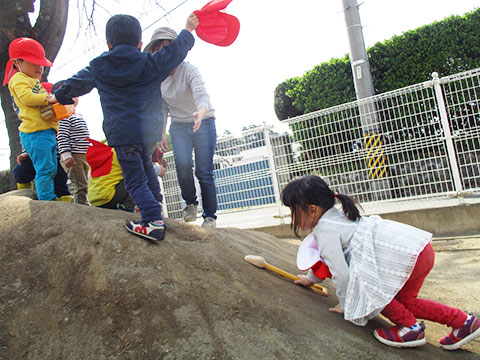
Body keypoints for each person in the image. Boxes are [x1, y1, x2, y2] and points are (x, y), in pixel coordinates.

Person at [282, 175, 480, 350]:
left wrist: (346, 304)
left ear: (313, 210)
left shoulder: (324, 231)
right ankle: (463, 322)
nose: (292, 217)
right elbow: (325, 261)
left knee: (369, 289)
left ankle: (410, 328)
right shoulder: (337, 214)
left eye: (293, 211)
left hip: (403, 258)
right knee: (407, 302)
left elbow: (342, 274)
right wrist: (310, 279)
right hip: (417, 251)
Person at [50, 14, 199, 241]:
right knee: (147, 168)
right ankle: (155, 207)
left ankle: (152, 221)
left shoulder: (100, 65)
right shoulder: (150, 62)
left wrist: (58, 95)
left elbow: (75, 84)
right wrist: (187, 30)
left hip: (122, 134)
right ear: (140, 45)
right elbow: (174, 52)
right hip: (148, 132)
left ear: (108, 45)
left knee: (135, 179)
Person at [144, 27, 218, 228]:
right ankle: (191, 202)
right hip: (178, 125)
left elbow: (202, 95)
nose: (164, 54)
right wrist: (162, 131)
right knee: (183, 165)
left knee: (204, 170)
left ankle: (210, 216)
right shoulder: (159, 79)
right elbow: (163, 108)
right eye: (159, 50)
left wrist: (200, 113)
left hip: (203, 122)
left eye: (168, 48)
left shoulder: (189, 70)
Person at [3, 37, 58, 201]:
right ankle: (47, 199)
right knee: (45, 168)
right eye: (33, 62)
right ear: (17, 62)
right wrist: (48, 99)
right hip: (36, 132)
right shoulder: (18, 79)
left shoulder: (35, 81)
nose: (39, 67)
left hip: (46, 131)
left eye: (40, 63)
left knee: (51, 167)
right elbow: (27, 98)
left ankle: (48, 195)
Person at [51, 80, 90, 205]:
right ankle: (81, 207)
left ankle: (84, 204)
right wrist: (66, 155)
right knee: (80, 184)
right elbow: (62, 136)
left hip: (84, 154)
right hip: (74, 155)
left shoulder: (77, 115)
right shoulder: (64, 115)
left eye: (75, 94)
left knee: (85, 182)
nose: (73, 98)